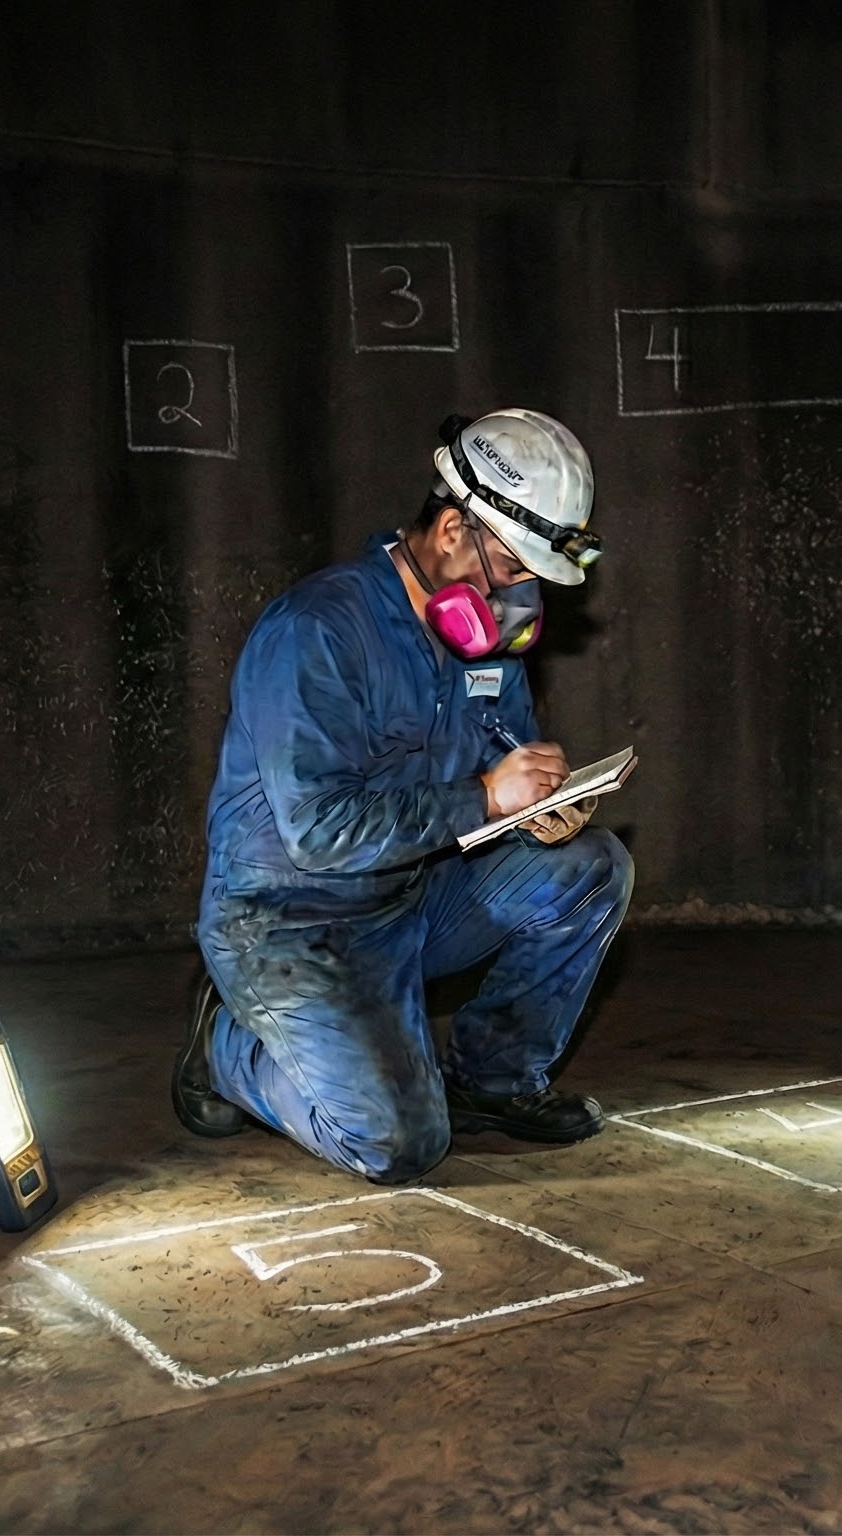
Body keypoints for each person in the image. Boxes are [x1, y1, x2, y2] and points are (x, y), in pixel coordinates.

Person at [175, 409, 632, 1185]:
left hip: (410, 897)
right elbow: (319, 832)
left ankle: (493, 1080)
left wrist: (536, 813)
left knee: (592, 868)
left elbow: (498, 776)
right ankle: (226, 1045)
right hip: (289, 920)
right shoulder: (318, 633)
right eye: (512, 567)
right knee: (396, 1144)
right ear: (453, 530)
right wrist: (484, 797)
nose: (522, 596)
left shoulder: (485, 643)